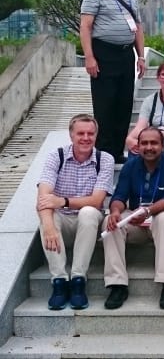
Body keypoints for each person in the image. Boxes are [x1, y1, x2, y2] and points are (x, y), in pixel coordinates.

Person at [36, 114, 114, 310]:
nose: (86, 138)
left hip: (88, 223)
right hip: (62, 221)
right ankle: (60, 283)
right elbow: (43, 196)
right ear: (71, 135)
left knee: (88, 211)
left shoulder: (105, 159)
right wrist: (48, 227)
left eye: (90, 133)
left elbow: (97, 200)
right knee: (49, 215)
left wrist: (62, 201)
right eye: (80, 133)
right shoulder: (57, 156)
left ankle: (78, 280)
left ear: (96, 136)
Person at [102, 127, 164, 310]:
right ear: (137, 146)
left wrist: (148, 212)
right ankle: (117, 285)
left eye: (154, 143)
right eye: (144, 143)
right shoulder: (131, 165)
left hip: (162, 218)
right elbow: (120, 196)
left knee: (163, 219)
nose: (149, 147)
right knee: (110, 222)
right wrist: (115, 211)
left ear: (162, 146)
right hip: (137, 220)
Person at [80, 0, 145, 164]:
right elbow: (86, 26)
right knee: (105, 105)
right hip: (104, 53)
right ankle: (103, 152)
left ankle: (117, 151)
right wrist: (89, 57)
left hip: (126, 54)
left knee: (124, 104)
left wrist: (141, 56)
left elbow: (138, 28)